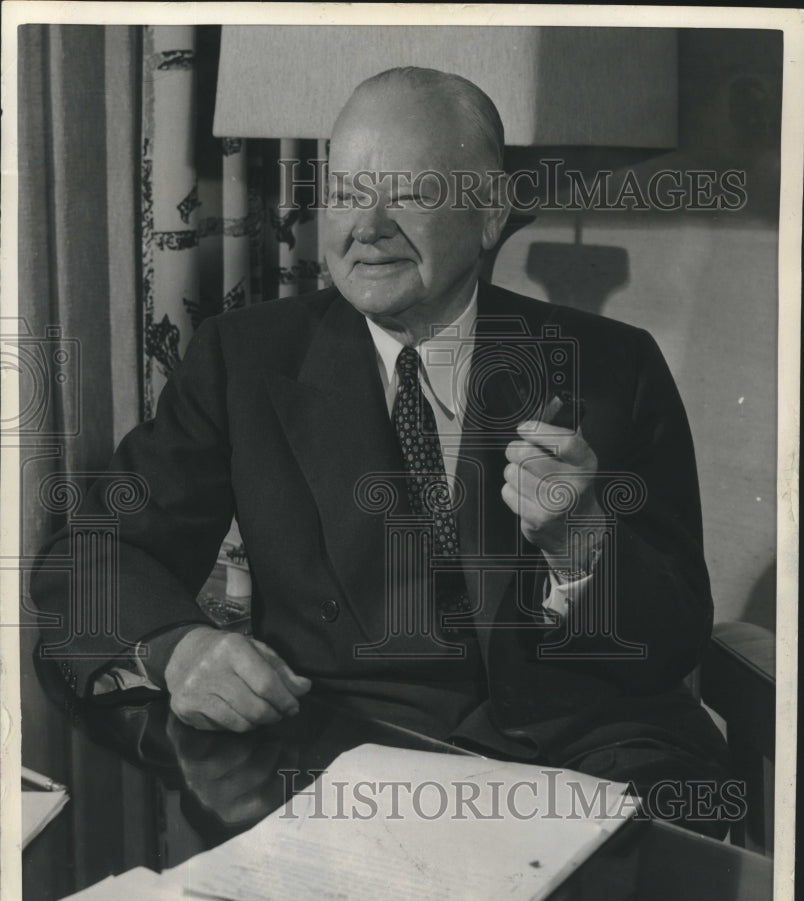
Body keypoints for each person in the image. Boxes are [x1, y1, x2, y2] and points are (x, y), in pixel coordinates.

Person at [31, 67, 730, 803]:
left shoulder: (616, 368)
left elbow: (675, 642)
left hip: (593, 757)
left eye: (411, 193)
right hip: (346, 758)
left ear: (490, 212)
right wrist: (181, 648)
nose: (365, 229)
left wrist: (583, 540)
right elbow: (91, 556)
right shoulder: (243, 360)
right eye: (343, 195)